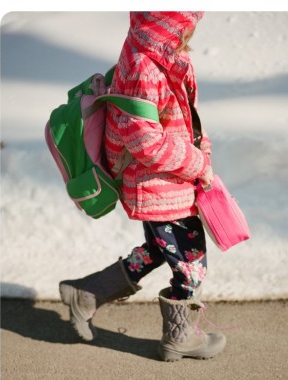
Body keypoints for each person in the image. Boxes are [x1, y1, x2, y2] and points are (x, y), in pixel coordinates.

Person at [59, 12, 226, 361]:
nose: (193, 29)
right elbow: (145, 141)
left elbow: (185, 115)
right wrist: (197, 163)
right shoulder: (143, 66)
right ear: (170, 22)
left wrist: (202, 149)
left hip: (170, 179)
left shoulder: (164, 56)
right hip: (160, 183)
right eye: (189, 21)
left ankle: (88, 293)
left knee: (159, 250)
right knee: (191, 265)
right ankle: (179, 338)